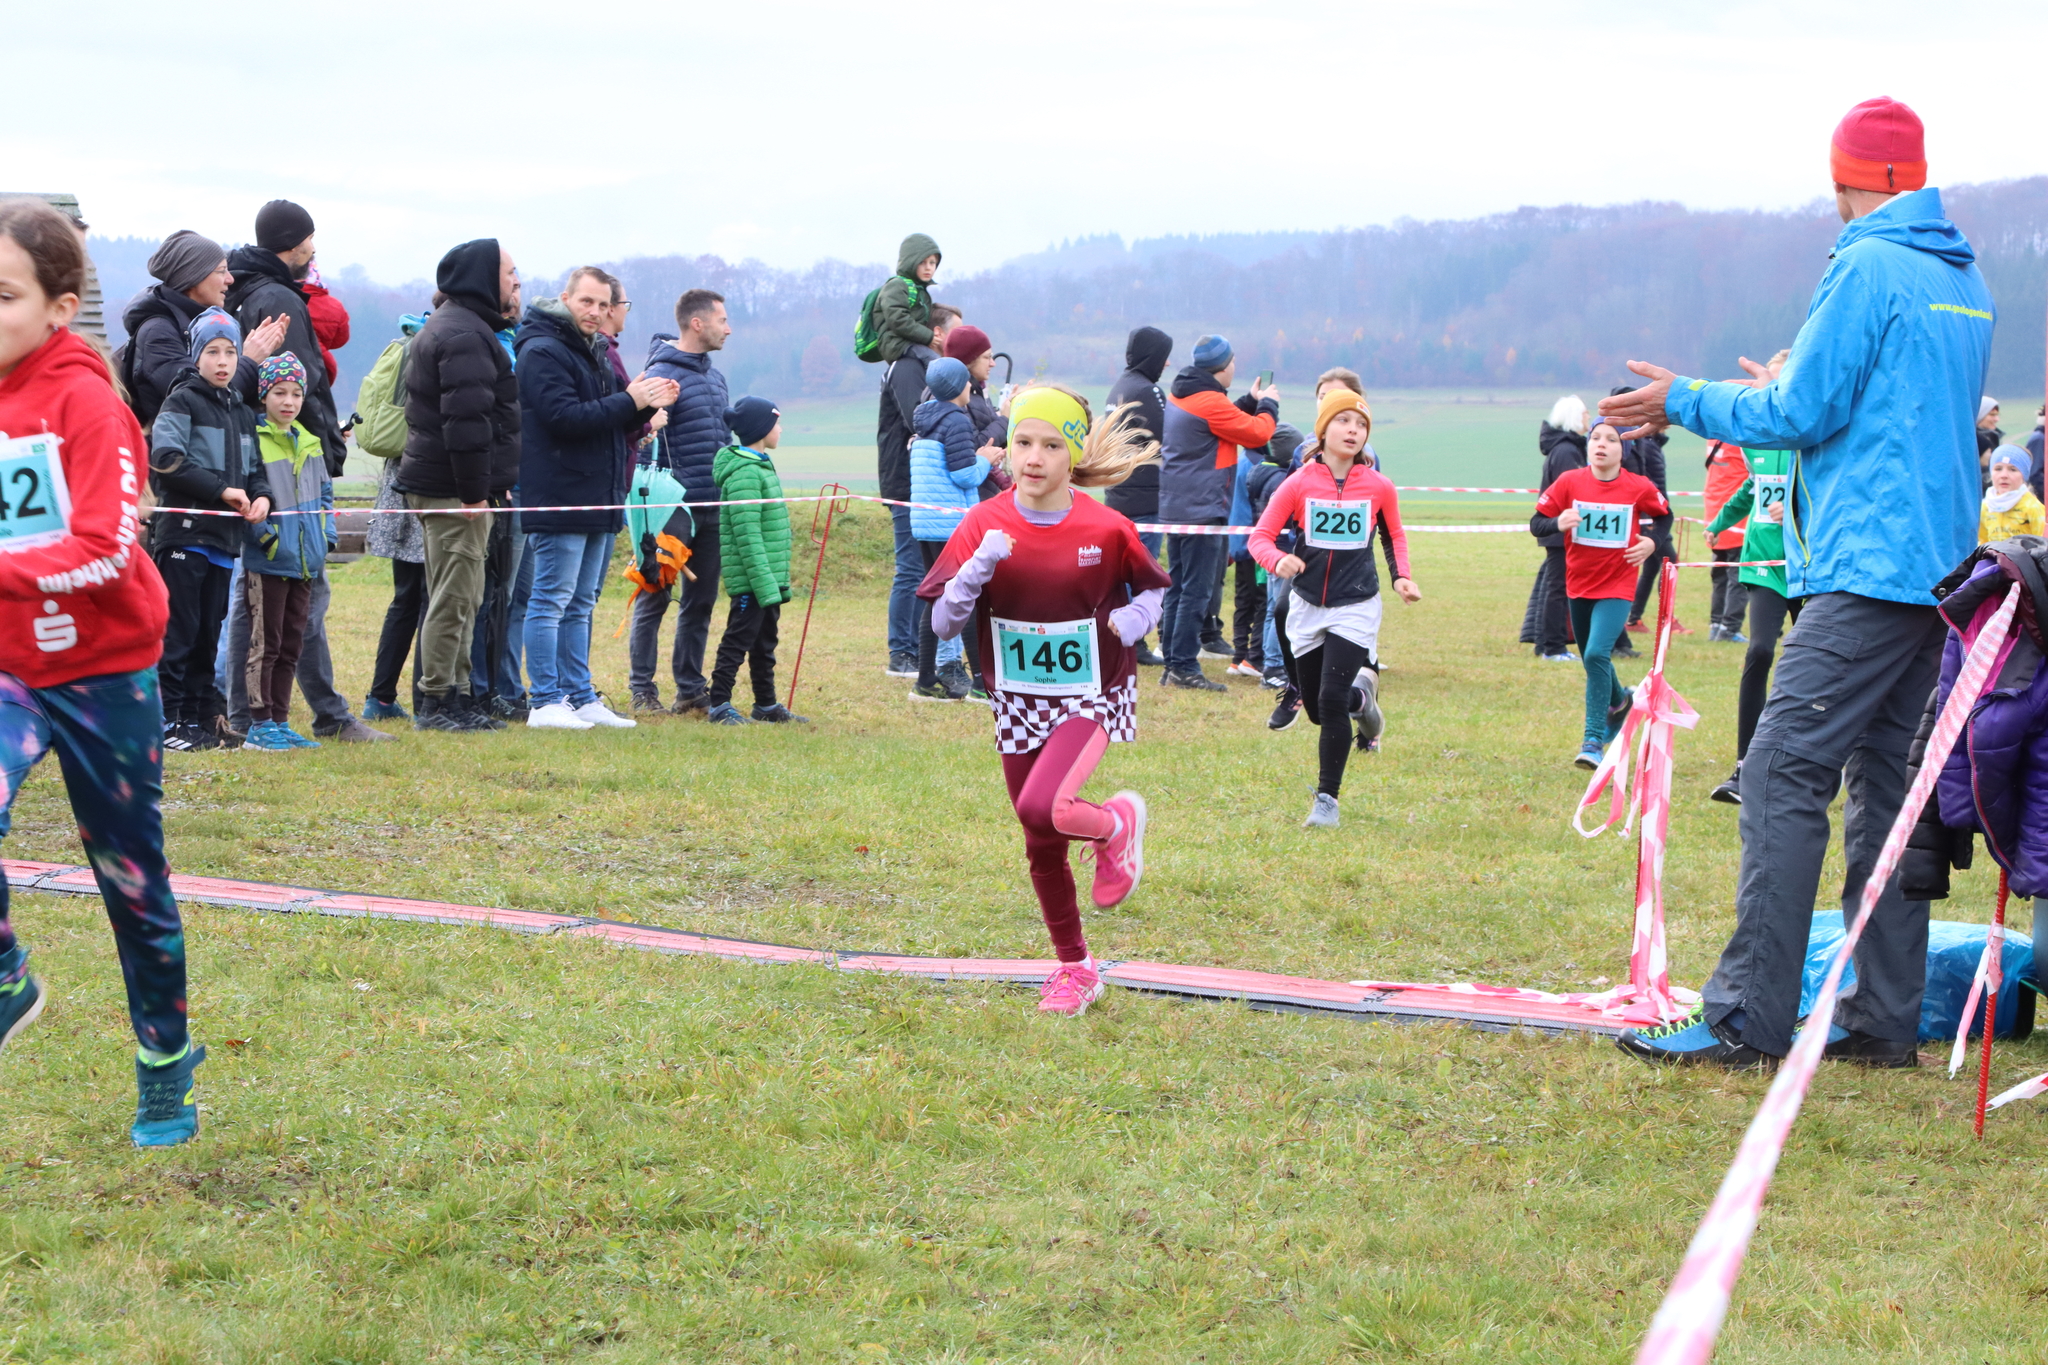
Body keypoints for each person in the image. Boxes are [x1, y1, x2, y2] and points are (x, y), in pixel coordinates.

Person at [1606, 96, 1996, 1070]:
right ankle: (1882, 1020)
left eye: (1838, 180)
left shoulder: (1867, 263)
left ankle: (1745, 1017)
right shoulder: (1963, 278)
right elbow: (1885, 408)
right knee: (1887, 795)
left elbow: (1801, 410)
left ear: (1855, 178)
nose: (1834, 197)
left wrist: (1686, 398)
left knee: (1781, 769)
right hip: (1940, 577)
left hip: (1867, 570)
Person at [0, 196, 204, 1146]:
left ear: (57, 307)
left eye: (3, 295)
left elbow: (105, 547)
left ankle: (165, 1056)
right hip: (8, 665)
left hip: (103, 672)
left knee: (130, 875)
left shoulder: (87, 402)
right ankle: (7, 977)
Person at [916, 384, 1168, 1016]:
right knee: (1039, 837)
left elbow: (1154, 589)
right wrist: (974, 572)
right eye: (1023, 441)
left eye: (1052, 445)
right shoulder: (983, 522)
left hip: (1093, 694)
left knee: (1043, 805)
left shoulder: (1106, 527)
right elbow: (943, 625)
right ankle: (1076, 968)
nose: (1033, 458)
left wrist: (1137, 619)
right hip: (1017, 700)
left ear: (1073, 453)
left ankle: (1114, 826)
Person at [221, 201, 381, 743]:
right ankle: (307, 715)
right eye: (310, 240)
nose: (314, 251)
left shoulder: (246, 287)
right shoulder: (278, 297)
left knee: (264, 601)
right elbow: (295, 385)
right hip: (289, 462)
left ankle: (256, 713)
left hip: (282, 460)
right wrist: (322, 443)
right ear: (294, 243)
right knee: (292, 596)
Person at [1250, 388, 1420, 827]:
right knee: (1316, 709)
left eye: (1361, 424)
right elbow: (1260, 538)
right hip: (1307, 604)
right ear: (1323, 429)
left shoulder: (1379, 486)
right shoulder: (1298, 483)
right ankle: (1363, 700)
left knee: (1330, 700)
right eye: (1343, 421)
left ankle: (1327, 801)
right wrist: (1277, 561)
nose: (1353, 430)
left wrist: (1401, 576)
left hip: (1356, 604)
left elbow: (1394, 536)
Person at [516, 268, 673, 731]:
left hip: (600, 495)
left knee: (582, 602)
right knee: (551, 599)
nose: (596, 312)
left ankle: (579, 696)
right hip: (560, 493)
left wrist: (646, 403)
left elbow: (610, 423)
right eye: (587, 301)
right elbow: (564, 418)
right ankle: (545, 700)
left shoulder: (596, 351)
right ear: (566, 298)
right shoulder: (542, 351)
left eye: (604, 304)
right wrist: (631, 400)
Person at [394, 238, 523, 733]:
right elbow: (466, 424)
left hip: (462, 487)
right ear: (483, 277)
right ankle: (436, 701)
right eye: (509, 273)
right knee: (452, 598)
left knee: (466, 596)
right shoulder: (464, 335)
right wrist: (474, 492)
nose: (516, 281)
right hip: (453, 490)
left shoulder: (466, 328)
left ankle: (460, 696)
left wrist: (492, 484)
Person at [146, 306, 271, 751]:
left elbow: (255, 471)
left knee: (207, 635)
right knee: (179, 632)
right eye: (213, 351)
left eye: (230, 352)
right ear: (196, 356)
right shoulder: (181, 400)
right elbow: (166, 459)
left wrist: (262, 497)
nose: (223, 361)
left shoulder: (242, 411)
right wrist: (222, 491)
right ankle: (166, 721)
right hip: (184, 535)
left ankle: (200, 718)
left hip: (224, 541)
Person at [1531, 419, 1667, 768]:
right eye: (1595, 438)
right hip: (1579, 584)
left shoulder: (1638, 486)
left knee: (1594, 654)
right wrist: (1557, 522)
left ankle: (1592, 742)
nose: (1601, 444)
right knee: (1595, 657)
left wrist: (1652, 542)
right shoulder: (1569, 481)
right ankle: (1620, 702)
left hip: (1618, 584)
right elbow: (1537, 523)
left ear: (1624, 450)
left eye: (1611, 440)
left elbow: (1664, 516)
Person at [1157, 335, 1277, 690]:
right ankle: (1184, 666)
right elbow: (1258, 433)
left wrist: (1248, 401)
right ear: (1224, 367)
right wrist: (1268, 405)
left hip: (1178, 505)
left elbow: (1219, 419)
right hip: (1202, 507)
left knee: (1179, 586)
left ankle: (1172, 662)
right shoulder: (1209, 402)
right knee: (1197, 591)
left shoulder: (1184, 393)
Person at [632, 289, 732, 713]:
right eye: (722, 320)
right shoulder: (657, 374)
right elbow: (641, 439)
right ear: (697, 323)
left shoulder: (716, 378)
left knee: (701, 602)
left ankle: (690, 690)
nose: (728, 329)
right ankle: (642, 690)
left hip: (714, 506)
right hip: (672, 508)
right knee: (654, 593)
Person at [239, 353, 334, 751]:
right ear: (264, 395)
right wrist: (269, 540)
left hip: (306, 561)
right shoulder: (253, 440)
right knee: (266, 644)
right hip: (270, 561)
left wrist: (325, 538)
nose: (289, 401)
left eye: (296, 393)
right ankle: (258, 725)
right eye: (279, 392)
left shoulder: (310, 442)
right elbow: (246, 496)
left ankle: (280, 721)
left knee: (292, 644)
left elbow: (325, 495)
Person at [1702, 419, 1799, 805]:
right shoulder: (1752, 445)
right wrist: (1720, 522)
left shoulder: (1815, 440)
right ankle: (1744, 767)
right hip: (1763, 564)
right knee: (1759, 651)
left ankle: (1822, 761)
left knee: (1813, 664)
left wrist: (1795, 511)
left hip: (1810, 567)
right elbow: (1751, 488)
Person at [117, 229, 283, 431]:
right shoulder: (158, 332)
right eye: (221, 271)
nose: (230, 279)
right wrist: (249, 361)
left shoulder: (202, 325)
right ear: (193, 277)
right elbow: (199, 401)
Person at [704, 397, 806, 726]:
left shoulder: (760, 466)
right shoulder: (745, 474)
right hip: (753, 579)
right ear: (761, 429)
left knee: (764, 642)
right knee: (738, 639)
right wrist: (763, 583)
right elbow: (747, 535)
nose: (781, 429)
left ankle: (765, 704)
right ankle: (719, 703)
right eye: (776, 423)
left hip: (767, 577)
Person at [878, 301, 959, 677]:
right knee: (910, 567)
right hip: (907, 480)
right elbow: (918, 419)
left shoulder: (931, 366)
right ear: (937, 332)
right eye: (956, 329)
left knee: (926, 569)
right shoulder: (908, 367)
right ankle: (902, 652)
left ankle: (917, 647)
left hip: (927, 481)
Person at [909, 357, 992, 701]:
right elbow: (964, 475)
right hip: (951, 526)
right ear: (959, 387)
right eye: (966, 381)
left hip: (926, 524)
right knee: (965, 598)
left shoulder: (924, 419)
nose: (971, 386)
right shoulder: (956, 420)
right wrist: (986, 459)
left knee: (936, 598)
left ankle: (925, 680)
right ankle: (981, 685)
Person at [362, 313, 429, 722]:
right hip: (425, 481)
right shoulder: (436, 350)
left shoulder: (410, 345)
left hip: (400, 479)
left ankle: (381, 696)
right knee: (429, 600)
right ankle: (428, 700)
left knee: (406, 598)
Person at [1103, 326, 1174, 665]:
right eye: (1164, 357)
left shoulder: (1121, 386)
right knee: (1141, 572)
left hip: (1120, 492)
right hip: (1144, 496)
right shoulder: (1148, 391)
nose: (1167, 363)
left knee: (1123, 571)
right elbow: (1169, 436)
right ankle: (1135, 640)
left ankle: (1120, 635)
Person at [1526, 395, 1590, 662]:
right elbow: (1571, 492)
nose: (1589, 418)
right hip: (1560, 529)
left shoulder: (1565, 448)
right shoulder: (1567, 452)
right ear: (1574, 417)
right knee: (1558, 589)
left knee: (1555, 587)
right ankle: (1553, 647)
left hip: (1557, 528)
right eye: (1585, 413)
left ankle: (1546, 643)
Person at [1247, 423, 1305, 703]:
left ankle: (1273, 664)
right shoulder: (1281, 481)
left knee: (1273, 608)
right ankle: (1273, 667)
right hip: (1282, 553)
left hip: (1271, 551)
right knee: (1278, 610)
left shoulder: (1261, 473)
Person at [1702, 437, 1752, 643]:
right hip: (1735, 517)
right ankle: (1729, 628)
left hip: (1714, 515)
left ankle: (1716, 625)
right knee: (1738, 577)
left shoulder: (1714, 438)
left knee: (1720, 575)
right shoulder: (1743, 441)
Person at [873, 233, 941, 365]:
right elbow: (898, 319)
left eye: (932, 262)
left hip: (914, 342)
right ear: (910, 262)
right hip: (897, 344)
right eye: (922, 262)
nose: (928, 267)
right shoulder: (896, 285)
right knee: (937, 364)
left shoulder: (921, 291)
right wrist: (928, 337)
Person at [1979, 446, 2044, 543]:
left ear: (2024, 475)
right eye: (1998, 469)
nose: (2004, 475)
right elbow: (1982, 542)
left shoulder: (2033, 507)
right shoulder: (1985, 507)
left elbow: (2043, 544)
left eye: (2013, 469)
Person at [1976, 396, 2003, 486]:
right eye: (1992, 415)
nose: (1997, 419)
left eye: (1997, 415)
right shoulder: (1971, 442)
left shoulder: (1994, 437)